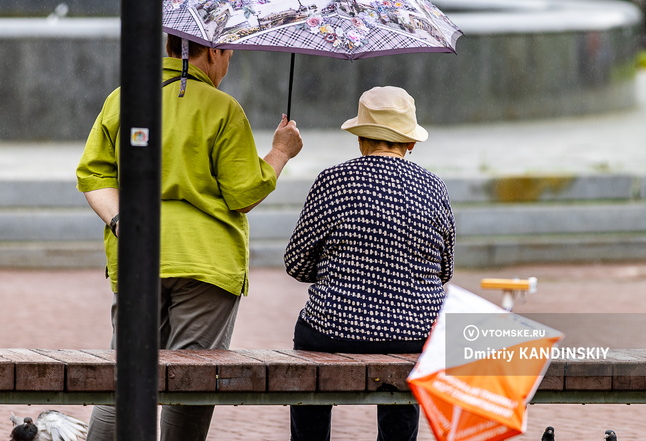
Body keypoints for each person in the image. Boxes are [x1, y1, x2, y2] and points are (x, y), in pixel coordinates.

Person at [76, 34, 303, 441]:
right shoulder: (222, 107)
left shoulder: (122, 98)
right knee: (191, 382)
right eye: (229, 53)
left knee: (124, 378)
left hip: (138, 256)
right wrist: (280, 151)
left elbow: (93, 175)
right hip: (206, 262)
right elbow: (243, 193)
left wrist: (120, 222)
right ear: (213, 52)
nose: (229, 62)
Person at [284, 85, 455, 441]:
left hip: (332, 330)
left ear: (360, 139)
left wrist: (343, 270)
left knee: (307, 338)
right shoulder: (434, 187)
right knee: (407, 371)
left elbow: (296, 264)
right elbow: (444, 271)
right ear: (411, 143)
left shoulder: (332, 181)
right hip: (415, 335)